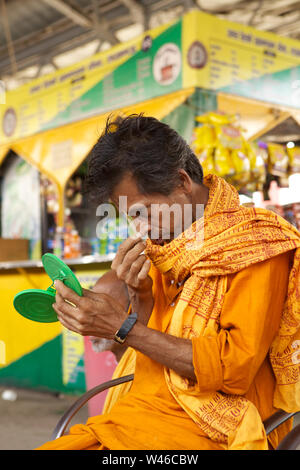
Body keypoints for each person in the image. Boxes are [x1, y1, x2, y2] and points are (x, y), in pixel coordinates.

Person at [37, 114, 300, 450]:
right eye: (132, 217)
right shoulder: (167, 246)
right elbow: (157, 352)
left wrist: (122, 327)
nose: (140, 229)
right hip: (147, 412)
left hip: (216, 426)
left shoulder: (258, 244)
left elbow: (233, 370)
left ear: (181, 182)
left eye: (143, 212)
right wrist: (141, 296)